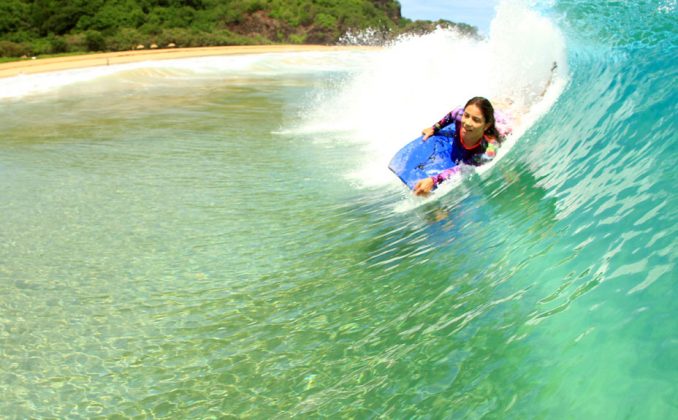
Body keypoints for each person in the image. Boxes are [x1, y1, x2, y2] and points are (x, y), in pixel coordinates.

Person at [413, 96, 503, 196]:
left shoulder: (489, 149)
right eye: (466, 116)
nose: (467, 123)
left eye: (475, 120)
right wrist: (434, 128)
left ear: (486, 125)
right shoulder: (460, 115)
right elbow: (452, 114)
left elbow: (465, 168)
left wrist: (434, 180)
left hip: (503, 124)